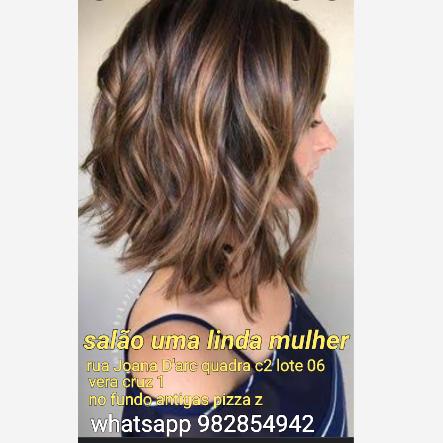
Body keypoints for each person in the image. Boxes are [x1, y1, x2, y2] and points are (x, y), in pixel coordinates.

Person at [79, 0, 345, 437]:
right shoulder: (182, 368)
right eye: (308, 120)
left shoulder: (245, 247)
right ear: (228, 140)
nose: (329, 139)